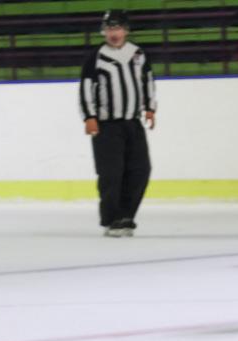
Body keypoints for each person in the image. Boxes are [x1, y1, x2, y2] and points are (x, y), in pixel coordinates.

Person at [79, 9, 156, 238]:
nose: (114, 33)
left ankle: (127, 216)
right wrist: (89, 117)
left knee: (140, 170)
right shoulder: (96, 57)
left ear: (126, 30)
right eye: (110, 28)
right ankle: (112, 219)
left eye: (118, 28)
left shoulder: (138, 54)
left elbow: (148, 82)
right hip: (107, 126)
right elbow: (86, 89)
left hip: (133, 123)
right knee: (111, 173)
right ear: (103, 31)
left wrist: (150, 109)